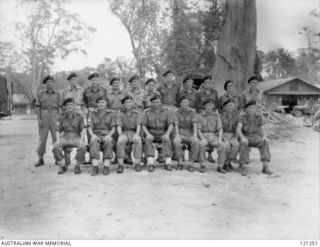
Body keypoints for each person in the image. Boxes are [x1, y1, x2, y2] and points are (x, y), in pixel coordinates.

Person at [236, 100, 272, 176]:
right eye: (249, 108)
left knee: (265, 142)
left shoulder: (259, 117)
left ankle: (265, 166)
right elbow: (238, 129)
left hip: (255, 136)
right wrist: (242, 137)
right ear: (246, 109)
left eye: (252, 108)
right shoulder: (242, 117)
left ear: (255, 108)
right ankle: (243, 166)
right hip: (245, 136)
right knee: (243, 143)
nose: (250, 109)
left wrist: (264, 137)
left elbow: (262, 129)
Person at [52, 98, 86, 175]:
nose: (69, 106)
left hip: (76, 136)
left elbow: (83, 129)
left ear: (74, 106)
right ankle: (62, 166)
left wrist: (81, 139)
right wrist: (57, 140)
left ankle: (77, 166)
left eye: (71, 105)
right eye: (68, 105)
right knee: (55, 147)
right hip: (65, 136)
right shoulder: (61, 117)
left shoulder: (79, 116)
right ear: (65, 107)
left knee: (83, 147)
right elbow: (57, 130)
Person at [141, 94, 174, 172]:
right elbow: (143, 125)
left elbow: (170, 124)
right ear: (151, 103)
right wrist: (148, 134)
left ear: (160, 102)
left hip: (162, 132)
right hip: (151, 132)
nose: (156, 104)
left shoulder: (167, 111)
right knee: (148, 139)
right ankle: (150, 163)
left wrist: (167, 134)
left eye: (157, 102)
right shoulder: (146, 112)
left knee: (166, 139)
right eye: (154, 102)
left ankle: (168, 163)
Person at [35, 75, 61, 167]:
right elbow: (38, 107)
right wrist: (39, 119)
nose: (49, 83)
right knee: (42, 139)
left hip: (55, 115)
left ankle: (58, 159)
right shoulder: (41, 94)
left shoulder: (58, 94)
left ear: (53, 83)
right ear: (45, 84)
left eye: (51, 82)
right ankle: (40, 158)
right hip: (44, 115)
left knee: (56, 138)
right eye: (48, 82)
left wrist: (59, 120)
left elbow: (60, 107)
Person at [87, 96, 117, 176]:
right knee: (93, 141)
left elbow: (113, 127)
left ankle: (106, 166)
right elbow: (89, 126)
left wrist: (109, 135)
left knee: (109, 141)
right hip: (96, 134)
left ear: (106, 103)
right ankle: (95, 167)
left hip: (107, 134)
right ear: (97, 104)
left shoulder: (111, 113)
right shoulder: (92, 113)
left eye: (103, 102)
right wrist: (92, 135)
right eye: (99, 102)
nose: (101, 104)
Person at [198, 99, 228, 173]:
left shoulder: (216, 116)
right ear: (204, 107)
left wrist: (220, 139)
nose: (208, 107)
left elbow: (220, 128)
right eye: (207, 105)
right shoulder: (200, 116)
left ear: (213, 106)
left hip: (214, 135)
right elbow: (198, 129)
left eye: (210, 105)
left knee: (223, 145)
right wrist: (202, 138)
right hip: (204, 135)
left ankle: (220, 166)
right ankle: (203, 165)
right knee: (201, 144)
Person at [61, 72, 85, 166]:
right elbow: (62, 105)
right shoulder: (65, 91)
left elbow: (84, 103)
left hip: (79, 112)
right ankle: (67, 157)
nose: (73, 81)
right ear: (69, 81)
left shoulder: (81, 90)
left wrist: (83, 113)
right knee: (68, 134)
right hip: (68, 112)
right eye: (72, 80)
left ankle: (80, 158)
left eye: (75, 80)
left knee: (82, 134)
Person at [172, 96, 202, 172]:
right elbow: (176, 124)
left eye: (185, 102)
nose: (184, 104)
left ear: (188, 103)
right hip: (180, 132)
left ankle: (191, 163)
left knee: (196, 141)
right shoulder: (176, 112)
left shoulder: (193, 112)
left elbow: (195, 124)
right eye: (182, 102)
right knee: (176, 141)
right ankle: (180, 161)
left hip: (190, 133)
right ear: (180, 104)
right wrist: (177, 136)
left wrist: (195, 135)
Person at [116, 95, 143, 172]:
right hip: (124, 132)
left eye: (129, 102)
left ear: (132, 103)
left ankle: (137, 163)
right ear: (123, 104)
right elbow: (119, 125)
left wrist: (137, 134)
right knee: (120, 141)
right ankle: (120, 165)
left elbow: (138, 125)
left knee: (138, 140)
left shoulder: (137, 113)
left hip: (133, 132)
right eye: (126, 102)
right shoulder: (120, 114)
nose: (128, 104)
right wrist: (120, 135)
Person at [220, 99, 240, 172]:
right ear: (225, 107)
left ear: (234, 107)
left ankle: (227, 162)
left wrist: (236, 138)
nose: (230, 107)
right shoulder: (221, 116)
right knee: (226, 145)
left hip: (233, 135)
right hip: (223, 134)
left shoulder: (237, 116)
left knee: (236, 145)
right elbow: (219, 128)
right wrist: (223, 138)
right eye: (228, 105)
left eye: (231, 105)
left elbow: (238, 129)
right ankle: (225, 163)